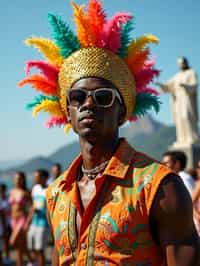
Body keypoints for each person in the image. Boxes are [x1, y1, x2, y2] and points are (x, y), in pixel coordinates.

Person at [19, 0, 199, 265]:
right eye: (78, 97)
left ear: (122, 111)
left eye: (103, 96)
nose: (89, 104)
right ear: (67, 111)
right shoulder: (56, 193)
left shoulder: (160, 188)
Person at [156, 57, 199, 147]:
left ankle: (192, 138)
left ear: (185, 63)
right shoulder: (177, 76)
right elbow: (169, 86)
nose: (180, 65)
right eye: (179, 63)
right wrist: (161, 85)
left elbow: (194, 86)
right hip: (178, 100)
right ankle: (182, 139)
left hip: (187, 98)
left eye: (182, 63)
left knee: (187, 116)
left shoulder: (191, 73)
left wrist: (185, 86)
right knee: (179, 119)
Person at [26, 169, 49, 266]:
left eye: (37, 177)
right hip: (34, 222)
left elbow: (50, 208)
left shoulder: (49, 190)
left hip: (43, 224)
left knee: (40, 249)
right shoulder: (35, 189)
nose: (35, 179)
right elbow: (32, 205)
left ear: (44, 178)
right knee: (31, 247)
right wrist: (28, 221)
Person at [9, 172, 33, 266]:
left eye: (19, 179)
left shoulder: (25, 192)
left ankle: (31, 260)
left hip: (21, 219)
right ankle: (30, 261)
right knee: (20, 246)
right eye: (15, 178)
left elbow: (32, 207)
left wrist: (28, 222)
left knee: (12, 241)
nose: (17, 180)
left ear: (23, 180)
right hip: (12, 220)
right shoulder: (12, 191)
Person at [0, 184, 11, 264]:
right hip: (3, 224)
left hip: (7, 223)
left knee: (6, 241)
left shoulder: (7, 199)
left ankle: (7, 257)